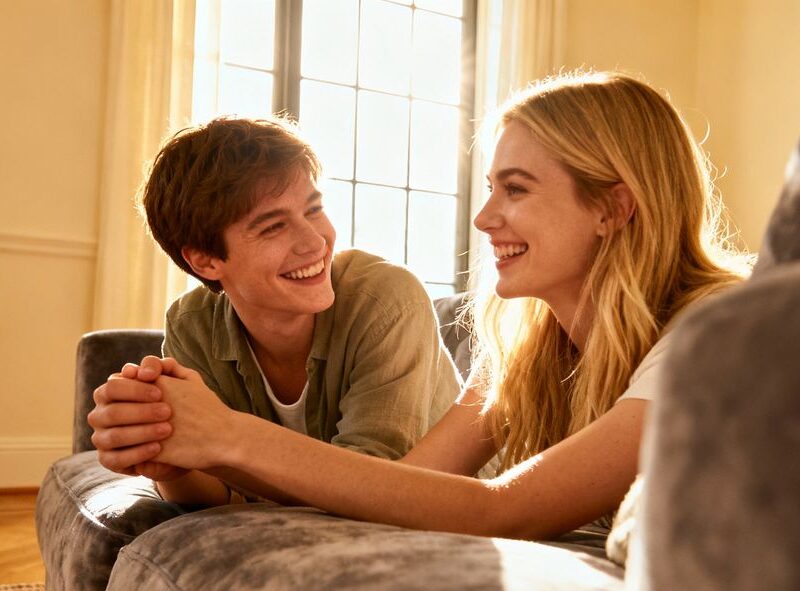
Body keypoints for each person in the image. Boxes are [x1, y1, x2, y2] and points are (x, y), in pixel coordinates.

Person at [91, 71, 745, 538]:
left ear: (611, 207)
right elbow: (405, 486)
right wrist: (176, 448)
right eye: (489, 189)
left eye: (514, 190)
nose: (486, 217)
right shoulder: (526, 344)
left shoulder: (717, 334)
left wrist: (230, 436)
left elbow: (503, 509)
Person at [88, 116, 461, 506]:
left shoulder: (387, 299)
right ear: (206, 262)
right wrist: (168, 461)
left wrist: (223, 440)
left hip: (452, 526)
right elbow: (216, 498)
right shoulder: (191, 324)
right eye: (273, 227)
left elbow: (373, 486)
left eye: (313, 210)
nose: (314, 241)